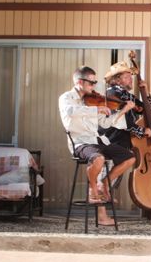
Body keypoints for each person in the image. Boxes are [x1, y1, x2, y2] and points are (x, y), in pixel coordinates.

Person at [58, 66, 143, 226]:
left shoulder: (92, 99)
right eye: (92, 82)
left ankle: (103, 184)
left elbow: (105, 123)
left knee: (130, 158)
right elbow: (70, 112)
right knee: (98, 159)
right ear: (80, 82)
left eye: (95, 82)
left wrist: (123, 110)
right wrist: (96, 108)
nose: (94, 86)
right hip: (80, 143)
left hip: (97, 141)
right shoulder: (66, 98)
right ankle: (93, 190)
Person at [102, 61, 151, 151]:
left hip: (124, 138)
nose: (131, 79)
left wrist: (146, 91)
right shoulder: (112, 93)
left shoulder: (127, 95)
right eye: (126, 77)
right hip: (113, 138)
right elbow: (120, 119)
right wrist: (141, 131)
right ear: (117, 80)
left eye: (130, 76)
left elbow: (147, 110)